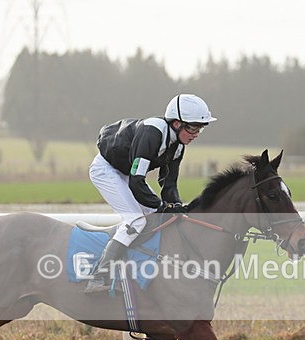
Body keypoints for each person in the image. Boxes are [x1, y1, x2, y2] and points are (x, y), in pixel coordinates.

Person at [84, 94, 217, 292]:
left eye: (200, 128)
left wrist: (177, 207)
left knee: (159, 218)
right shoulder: (152, 133)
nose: (196, 134)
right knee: (136, 221)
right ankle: (98, 276)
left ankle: (139, 267)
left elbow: (169, 185)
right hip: (106, 170)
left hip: (127, 173)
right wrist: (161, 206)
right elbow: (137, 182)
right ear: (177, 123)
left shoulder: (178, 146)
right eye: (193, 128)